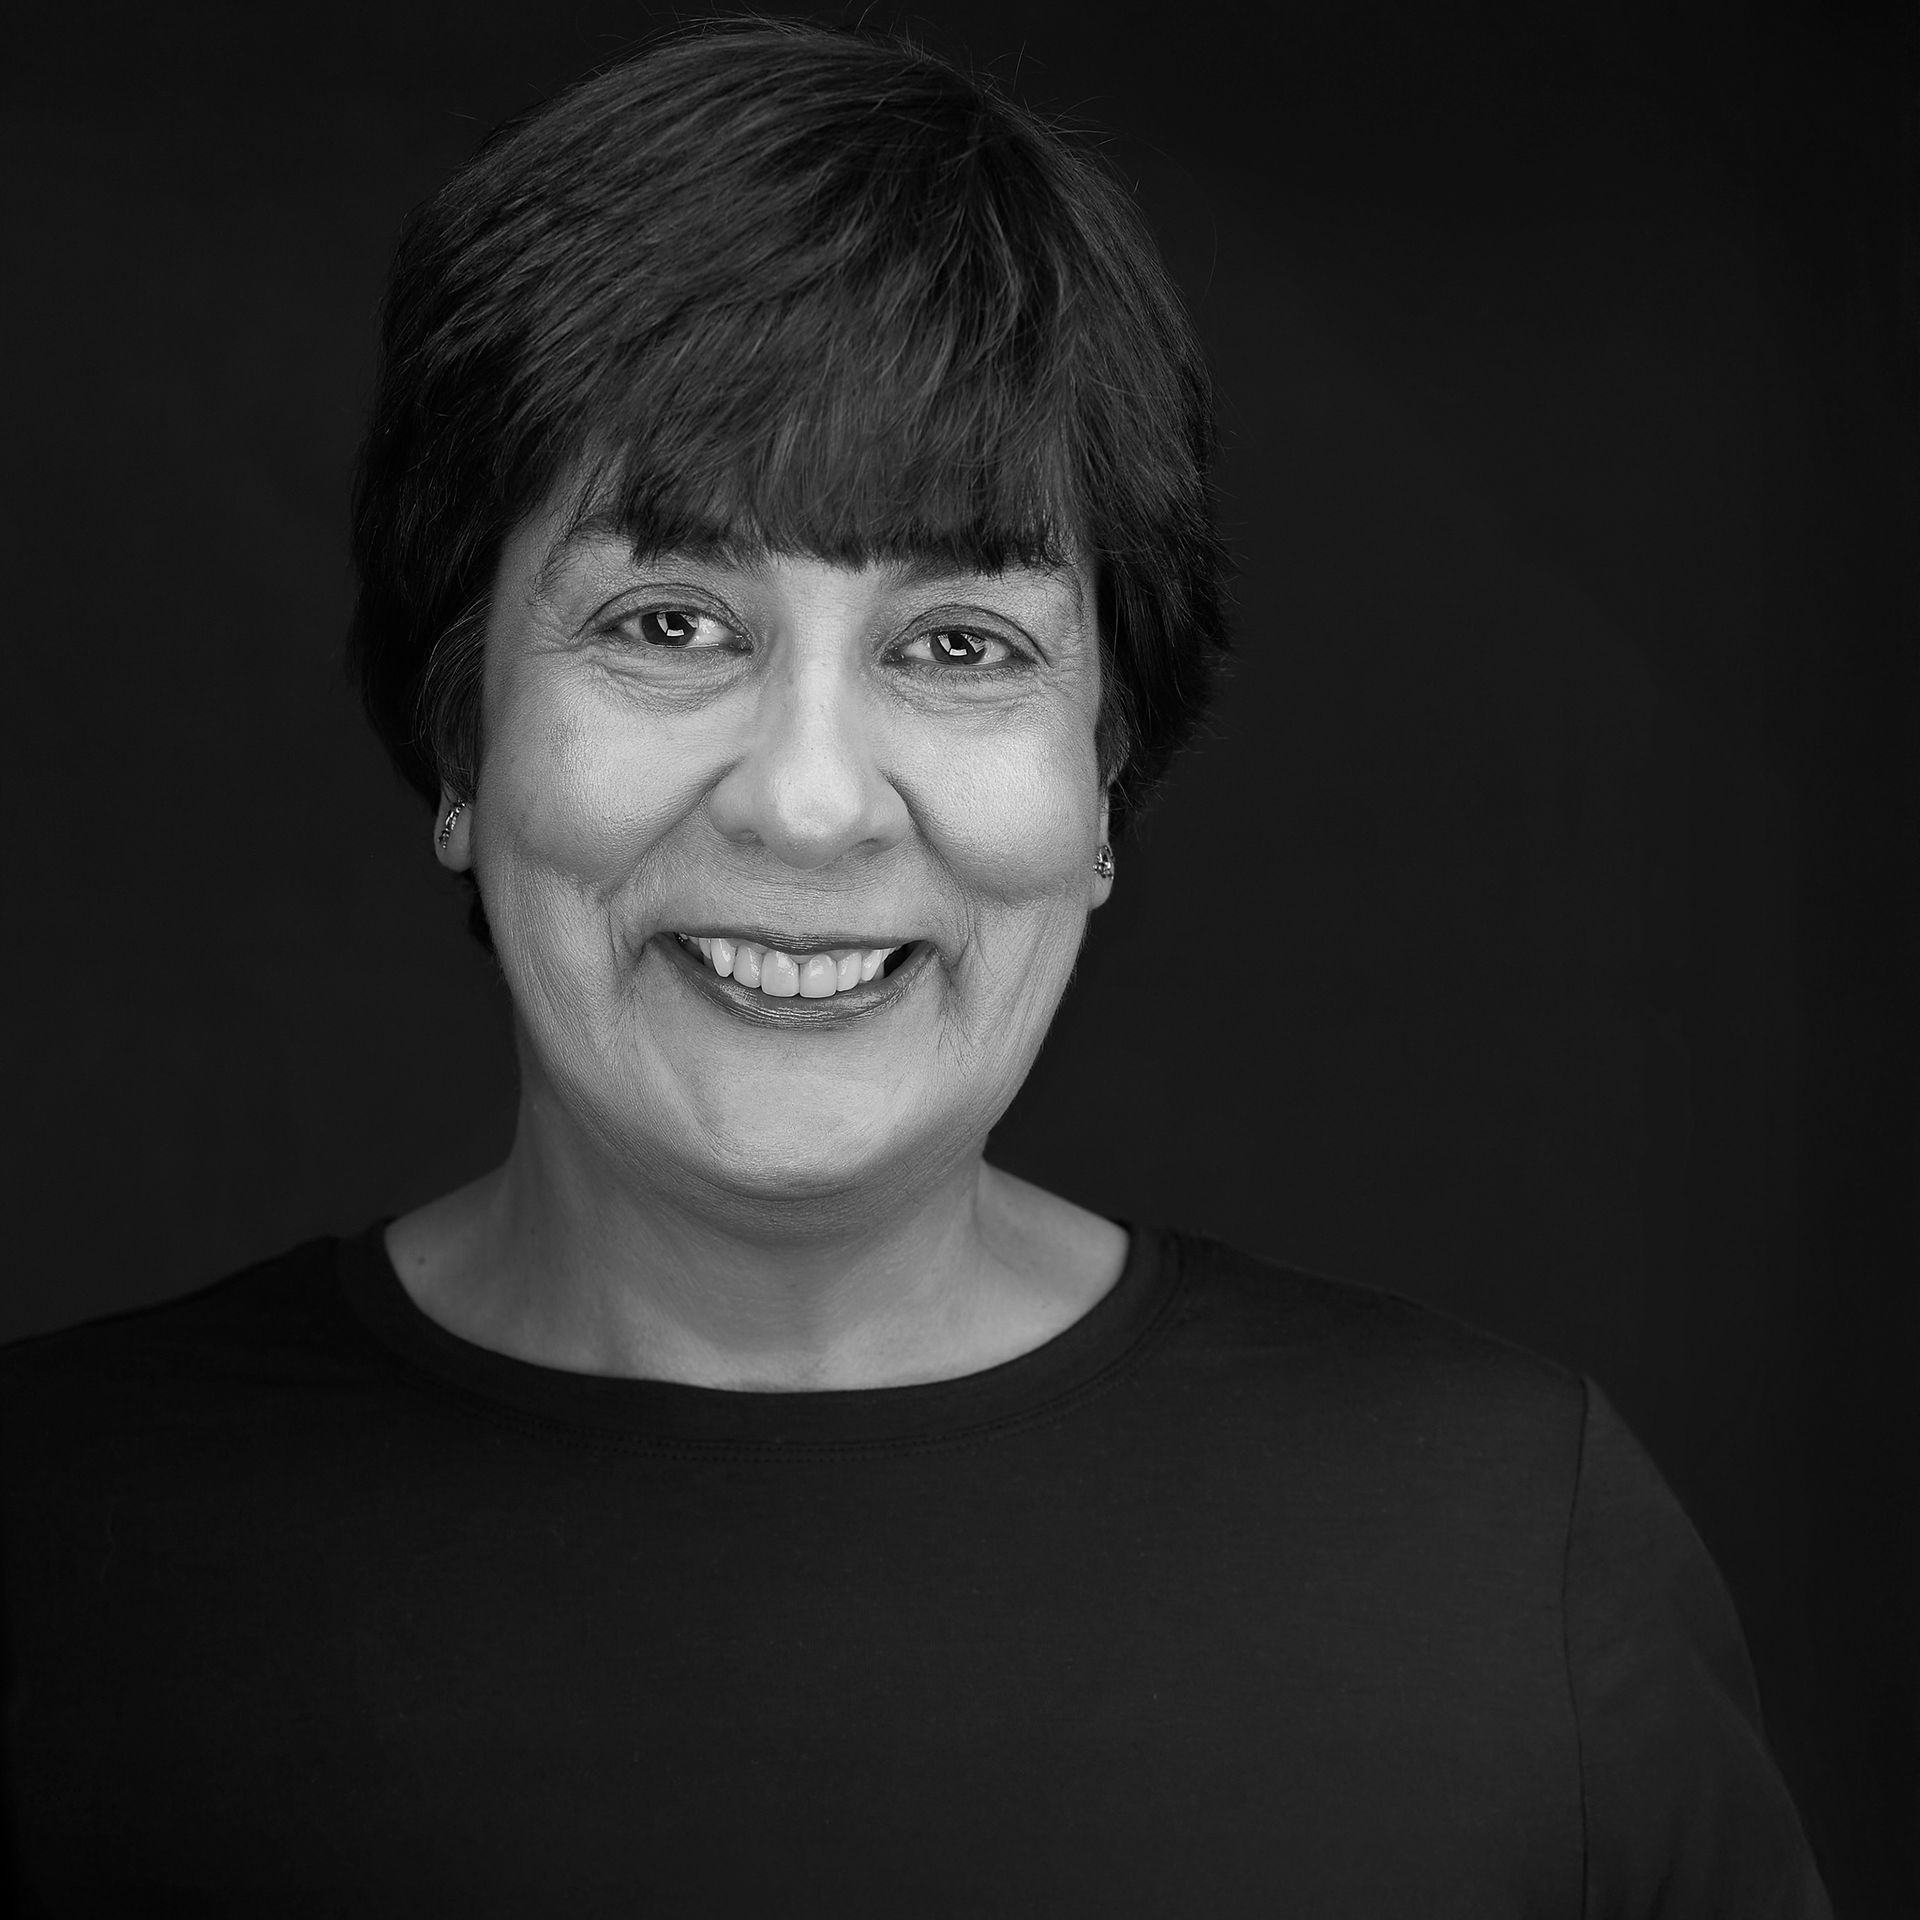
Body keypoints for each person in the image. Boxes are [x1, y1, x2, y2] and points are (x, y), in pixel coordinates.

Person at [0, 18, 1832, 1913]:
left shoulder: (1504, 1560)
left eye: (960, 646)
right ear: (465, 741)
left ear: (1104, 779)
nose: (808, 804)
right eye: (671, 617)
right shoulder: (53, 1555)